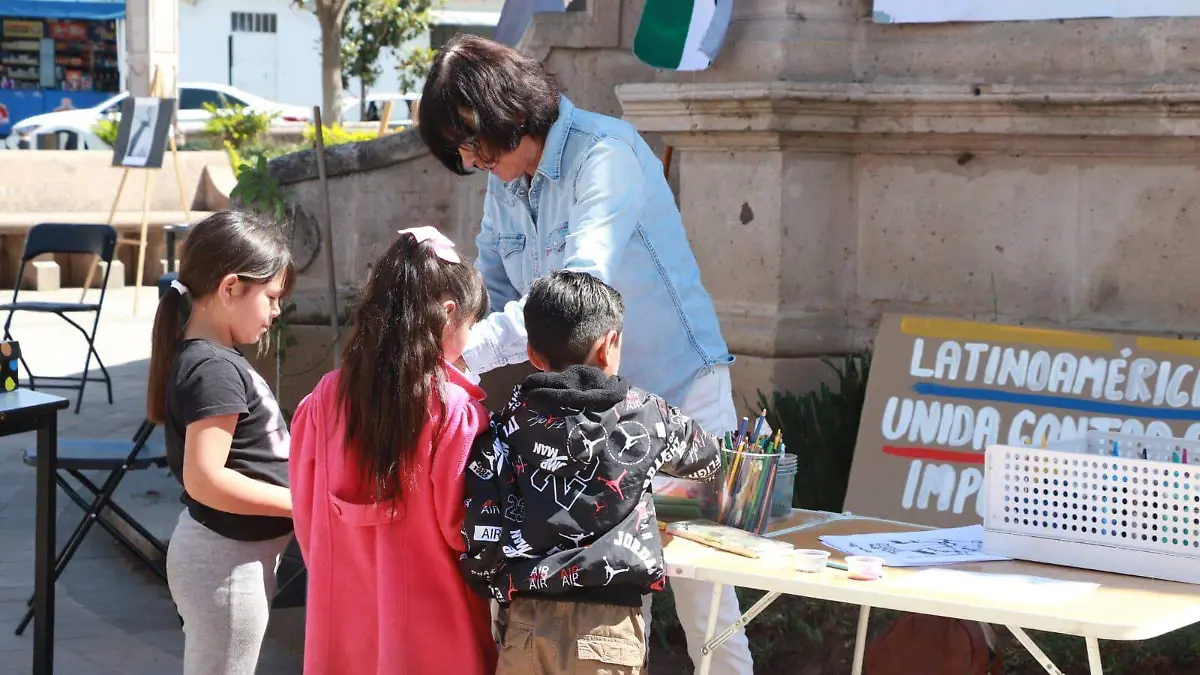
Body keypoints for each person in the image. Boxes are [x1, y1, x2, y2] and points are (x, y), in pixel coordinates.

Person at [418, 34, 755, 674]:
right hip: (586, 416)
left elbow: (576, 299)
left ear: (512, 113)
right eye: (458, 150)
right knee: (607, 589)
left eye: (472, 142)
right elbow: (487, 290)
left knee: (701, 593)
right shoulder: (504, 180)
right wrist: (438, 326)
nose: (468, 159)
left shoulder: (607, 153)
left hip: (677, 393)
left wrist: (454, 358)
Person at [461, 271, 723, 675]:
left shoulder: (501, 427)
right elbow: (708, 459)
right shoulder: (646, 415)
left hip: (526, 624)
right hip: (610, 631)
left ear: (532, 353)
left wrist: (491, 583)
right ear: (609, 345)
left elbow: (482, 529)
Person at [289, 227, 498, 674]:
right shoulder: (453, 411)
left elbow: (306, 516)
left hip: (343, 627)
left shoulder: (325, 400)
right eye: (472, 322)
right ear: (448, 314)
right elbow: (465, 531)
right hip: (438, 631)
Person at [146, 210, 295, 675]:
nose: (276, 311)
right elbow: (206, 480)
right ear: (230, 288)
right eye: (271, 297)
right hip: (225, 563)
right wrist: (304, 500)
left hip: (236, 560)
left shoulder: (218, 358)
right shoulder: (212, 368)